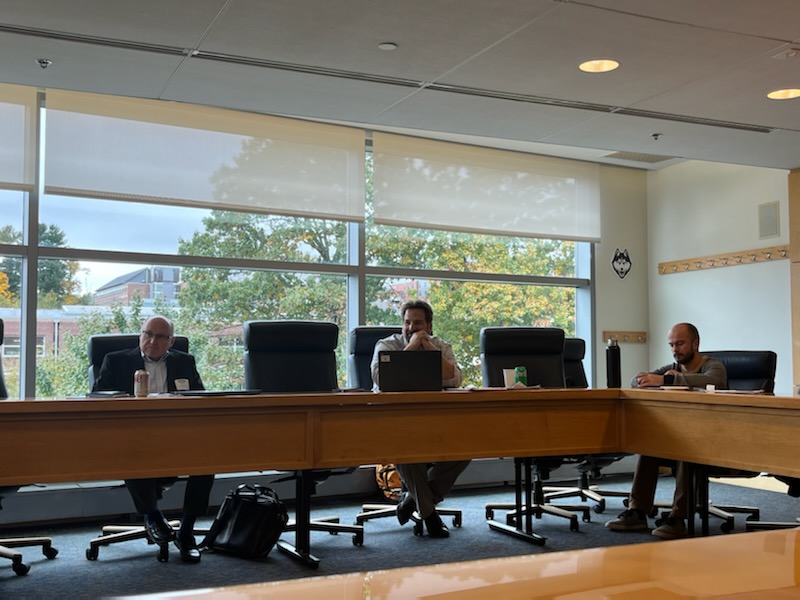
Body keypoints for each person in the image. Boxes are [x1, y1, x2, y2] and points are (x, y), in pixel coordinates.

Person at [93, 315, 213, 563]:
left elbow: (200, 399)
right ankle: (154, 516)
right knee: (132, 454)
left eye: (160, 337)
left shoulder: (184, 361)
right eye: (147, 334)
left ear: (171, 341)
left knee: (208, 458)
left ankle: (187, 531)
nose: (152, 341)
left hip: (176, 436)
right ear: (140, 335)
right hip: (132, 436)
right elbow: (98, 398)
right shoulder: (116, 360)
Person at [605, 322, 727, 540]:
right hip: (680, 435)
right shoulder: (672, 367)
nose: (675, 349)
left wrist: (668, 380)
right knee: (651, 446)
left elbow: (714, 381)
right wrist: (650, 380)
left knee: (687, 449)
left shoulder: (713, 366)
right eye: (671, 345)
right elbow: (636, 380)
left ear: (695, 344)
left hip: (710, 439)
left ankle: (678, 518)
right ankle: (638, 511)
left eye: (680, 344)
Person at [370, 300, 469, 538]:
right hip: (393, 423)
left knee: (466, 447)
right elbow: (381, 378)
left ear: (429, 326)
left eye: (417, 323)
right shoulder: (387, 345)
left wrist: (431, 351)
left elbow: (455, 379)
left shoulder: (440, 346)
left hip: (435, 421)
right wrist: (411, 348)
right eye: (407, 322)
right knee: (406, 449)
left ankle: (414, 500)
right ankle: (430, 514)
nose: (411, 328)